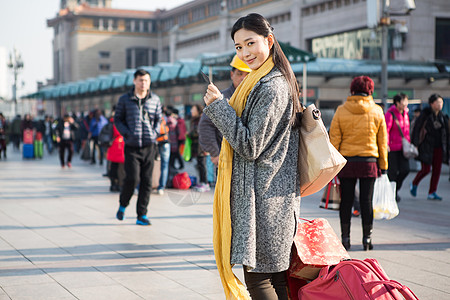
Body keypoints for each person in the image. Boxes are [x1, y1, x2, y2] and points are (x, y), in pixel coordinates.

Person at [203, 13, 301, 299]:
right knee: (275, 279)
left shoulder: (271, 87)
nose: (245, 53)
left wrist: (219, 107)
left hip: (264, 200)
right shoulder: (264, 81)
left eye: (250, 43)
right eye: (238, 47)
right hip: (270, 196)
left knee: (259, 280)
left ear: (269, 41)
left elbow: (250, 144)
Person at [329, 75, 388, 251]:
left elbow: (334, 140)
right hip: (369, 162)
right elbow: (382, 142)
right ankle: (367, 239)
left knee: (346, 201)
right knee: (366, 201)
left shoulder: (341, 110)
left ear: (352, 89)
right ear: (370, 90)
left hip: (347, 162)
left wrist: (333, 165)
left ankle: (345, 239)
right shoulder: (377, 111)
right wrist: (384, 166)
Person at [114, 69, 162, 226]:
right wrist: (127, 134)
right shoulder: (125, 99)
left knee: (147, 181)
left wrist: (154, 133)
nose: (144, 83)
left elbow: (158, 119)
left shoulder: (154, 99)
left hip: (149, 145)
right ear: (134, 81)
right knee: (132, 178)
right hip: (132, 146)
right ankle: (123, 205)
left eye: (146, 80)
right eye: (141, 80)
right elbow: (118, 120)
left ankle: (142, 214)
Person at [198, 55, 250, 168]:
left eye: (248, 75)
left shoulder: (256, 98)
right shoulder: (220, 98)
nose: (243, 78)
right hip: (225, 159)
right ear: (232, 75)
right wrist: (215, 153)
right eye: (239, 74)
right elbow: (205, 125)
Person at [410, 93, 449, 201]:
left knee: (437, 170)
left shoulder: (442, 117)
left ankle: (432, 192)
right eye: (438, 102)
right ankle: (414, 183)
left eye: (441, 102)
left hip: (439, 147)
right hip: (426, 147)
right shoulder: (425, 115)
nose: (440, 104)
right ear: (431, 104)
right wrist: (416, 144)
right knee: (426, 169)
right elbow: (417, 129)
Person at [385, 93, 410, 202]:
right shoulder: (390, 114)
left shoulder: (405, 114)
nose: (405, 103)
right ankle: (391, 194)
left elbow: (407, 131)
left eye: (406, 101)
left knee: (406, 170)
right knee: (392, 173)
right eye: (403, 101)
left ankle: (395, 190)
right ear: (397, 103)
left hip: (403, 148)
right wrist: (386, 144)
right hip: (392, 148)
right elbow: (385, 130)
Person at [187, 104, 210, 192]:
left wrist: (189, 134)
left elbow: (201, 133)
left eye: (193, 109)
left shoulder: (201, 119)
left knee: (202, 165)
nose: (191, 111)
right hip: (196, 146)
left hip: (202, 146)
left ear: (198, 110)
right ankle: (202, 182)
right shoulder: (194, 120)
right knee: (199, 164)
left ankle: (205, 183)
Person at [106, 115, 125, 192]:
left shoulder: (111, 122)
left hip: (113, 147)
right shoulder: (119, 123)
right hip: (119, 147)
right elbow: (120, 132)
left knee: (113, 166)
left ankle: (113, 184)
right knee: (121, 168)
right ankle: (120, 184)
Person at [156, 106, 170, 195]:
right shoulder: (165, 118)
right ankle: (161, 187)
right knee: (164, 165)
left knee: (148, 164)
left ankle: (143, 186)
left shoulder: (153, 116)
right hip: (165, 142)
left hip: (156, 142)